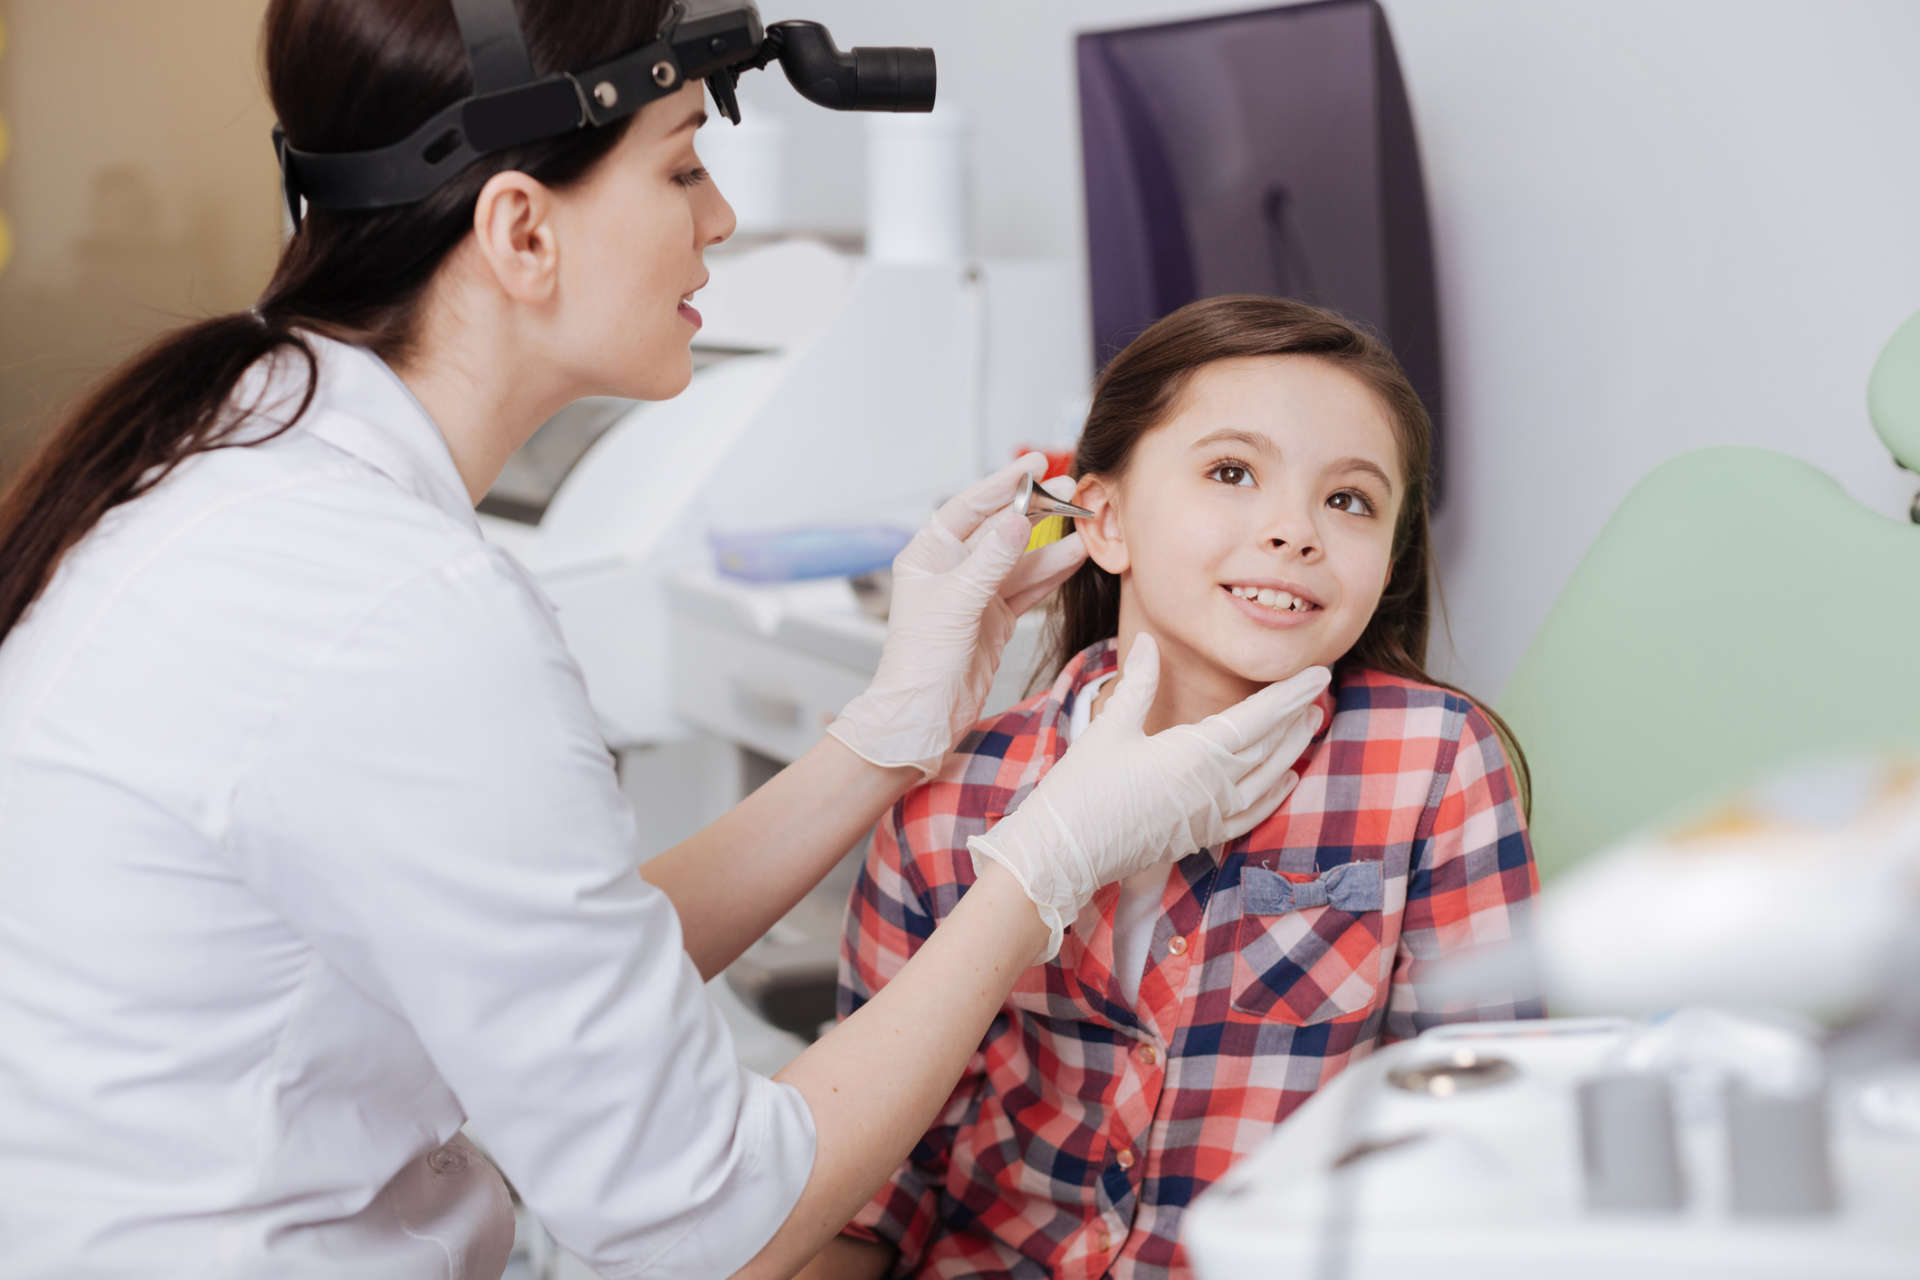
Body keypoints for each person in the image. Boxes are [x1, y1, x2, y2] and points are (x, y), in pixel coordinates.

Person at [0, 7, 1330, 1279]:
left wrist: (884, 736)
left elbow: (569, 967)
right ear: (520, 229)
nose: (723, 220)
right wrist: (1039, 872)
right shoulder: (387, 609)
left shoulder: (248, 461)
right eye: (684, 165)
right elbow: (707, 1218)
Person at [811, 296, 1543, 1279]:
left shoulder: (1433, 764)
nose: (1295, 530)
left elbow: (1482, 1138)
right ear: (1105, 518)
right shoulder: (955, 792)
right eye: (1232, 472)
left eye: (1351, 499)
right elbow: (870, 1193)